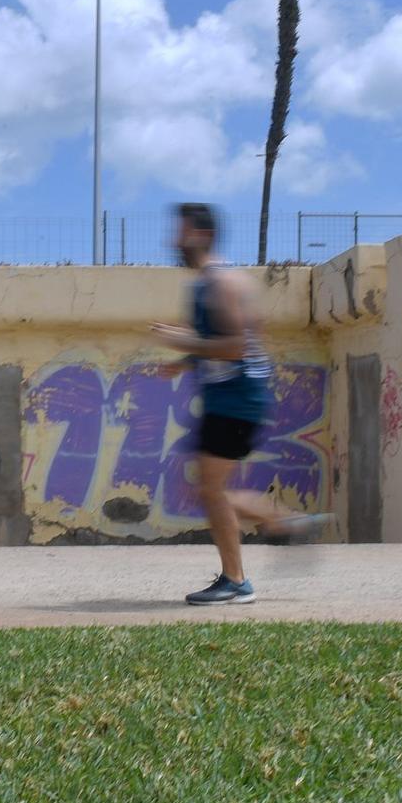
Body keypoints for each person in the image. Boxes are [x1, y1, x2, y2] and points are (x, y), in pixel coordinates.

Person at [148, 203, 326, 605]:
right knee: (207, 490)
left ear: (201, 235)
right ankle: (283, 524)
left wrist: (184, 343)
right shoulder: (214, 284)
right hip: (231, 402)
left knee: (210, 491)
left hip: (236, 403)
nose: (173, 240)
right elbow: (242, 339)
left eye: (181, 231)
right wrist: (183, 362)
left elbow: (235, 347)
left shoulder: (221, 284)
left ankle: (238, 578)